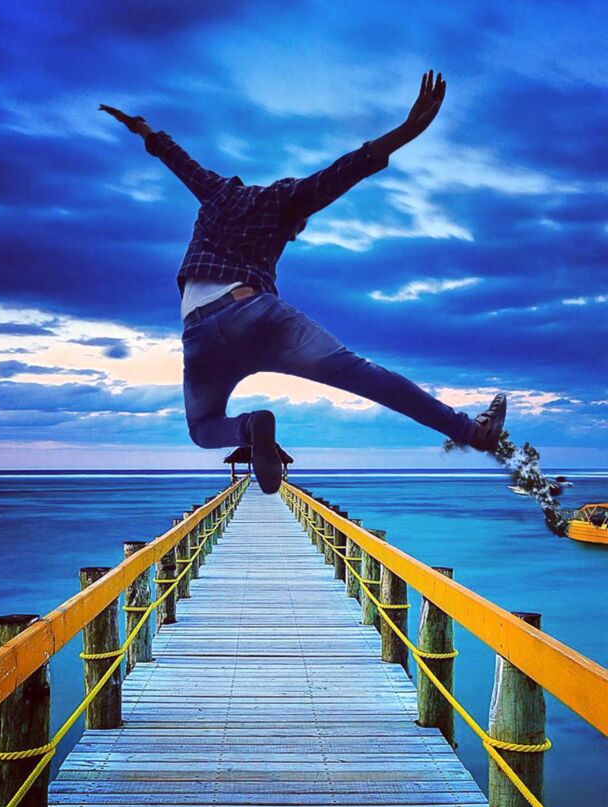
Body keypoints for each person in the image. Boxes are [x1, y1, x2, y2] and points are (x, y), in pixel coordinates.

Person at [99, 69, 506, 494]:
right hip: (255, 313)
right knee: (360, 373)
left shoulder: (216, 191)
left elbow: (172, 155)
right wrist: (406, 131)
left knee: (202, 428)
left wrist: (139, 126)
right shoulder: (286, 200)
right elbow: (344, 172)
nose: (294, 235)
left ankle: (251, 428)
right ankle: (471, 431)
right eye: (299, 227)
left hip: (200, 330)